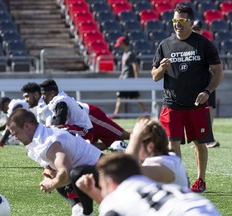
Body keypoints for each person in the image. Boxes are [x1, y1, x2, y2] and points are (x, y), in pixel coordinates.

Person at [151, 4, 223, 193]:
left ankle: (200, 180)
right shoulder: (165, 45)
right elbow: (154, 76)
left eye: (181, 21)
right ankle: (179, 179)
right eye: (175, 21)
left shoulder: (203, 44)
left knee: (199, 143)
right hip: (172, 103)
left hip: (196, 104)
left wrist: (207, 91)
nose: (177, 24)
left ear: (191, 22)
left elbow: (218, 72)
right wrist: (161, 69)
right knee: (172, 142)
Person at [6, 108, 102, 216]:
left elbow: (66, 172)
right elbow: (50, 165)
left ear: (27, 126)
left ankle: (87, 213)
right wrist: (47, 177)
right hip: (87, 170)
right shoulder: (39, 138)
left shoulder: (48, 142)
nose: (15, 138)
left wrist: (51, 184)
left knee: (75, 174)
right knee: (56, 174)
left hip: (103, 171)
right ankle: (77, 206)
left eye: (16, 133)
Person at [76, 153, 221, 216]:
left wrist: (94, 194)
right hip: (206, 209)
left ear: (111, 183)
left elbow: (114, 207)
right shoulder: (150, 184)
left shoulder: (117, 199)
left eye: (102, 185)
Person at [193, 20, 220, 149]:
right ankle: (198, 139)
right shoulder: (189, 45)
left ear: (202, 30)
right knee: (195, 110)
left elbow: (216, 66)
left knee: (209, 109)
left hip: (207, 81)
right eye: (194, 28)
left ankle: (209, 138)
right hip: (195, 81)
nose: (195, 31)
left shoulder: (207, 45)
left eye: (198, 28)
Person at [111, 36, 147, 118]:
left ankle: (116, 114)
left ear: (123, 43)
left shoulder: (131, 54)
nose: (118, 46)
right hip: (124, 79)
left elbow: (135, 66)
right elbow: (125, 68)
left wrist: (137, 79)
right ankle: (146, 112)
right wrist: (121, 75)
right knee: (133, 96)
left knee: (122, 96)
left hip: (129, 80)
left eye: (119, 44)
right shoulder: (125, 54)